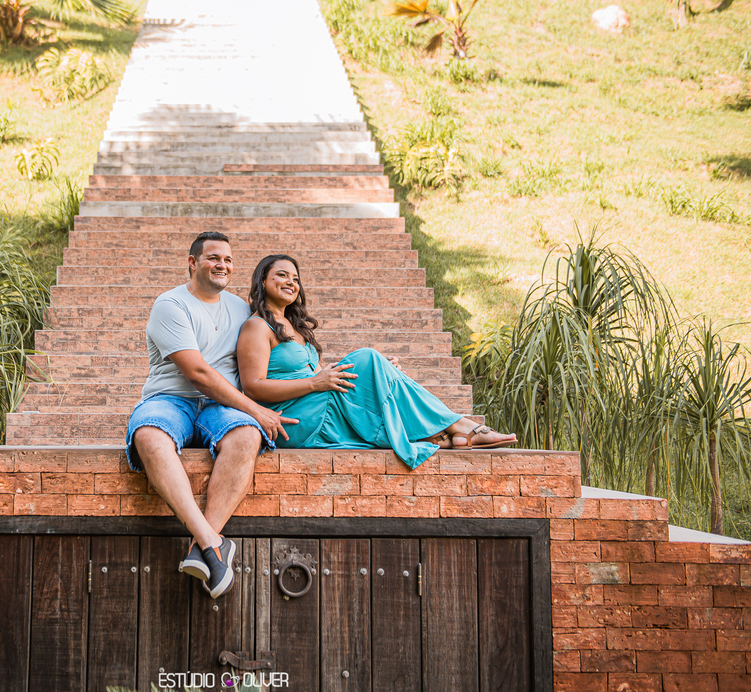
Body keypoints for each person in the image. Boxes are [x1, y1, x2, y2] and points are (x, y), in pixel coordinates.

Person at [126, 233, 297, 599]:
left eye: (228, 260)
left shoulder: (240, 309)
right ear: (193, 263)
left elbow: (288, 349)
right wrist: (255, 409)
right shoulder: (170, 305)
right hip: (172, 399)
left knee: (247, 436)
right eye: (213, 258)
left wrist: (347, 369)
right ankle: (211, 540)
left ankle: (202, 547)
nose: (223, 265)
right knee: (148, 435)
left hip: (221, 407)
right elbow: (198, 374)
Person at [236, 254, 517, 469]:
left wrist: (381, 372)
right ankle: (456, 427)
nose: (291, 282)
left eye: (296, 279)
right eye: (282, 275)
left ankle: (444, 432)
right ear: (263, 281)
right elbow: (252, 387)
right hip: (290, 420)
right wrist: (315, 383)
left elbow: (320, 376)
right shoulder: (256, 327)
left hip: (313, 405)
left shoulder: (295, 328)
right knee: (367, 358)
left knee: (376, 366)